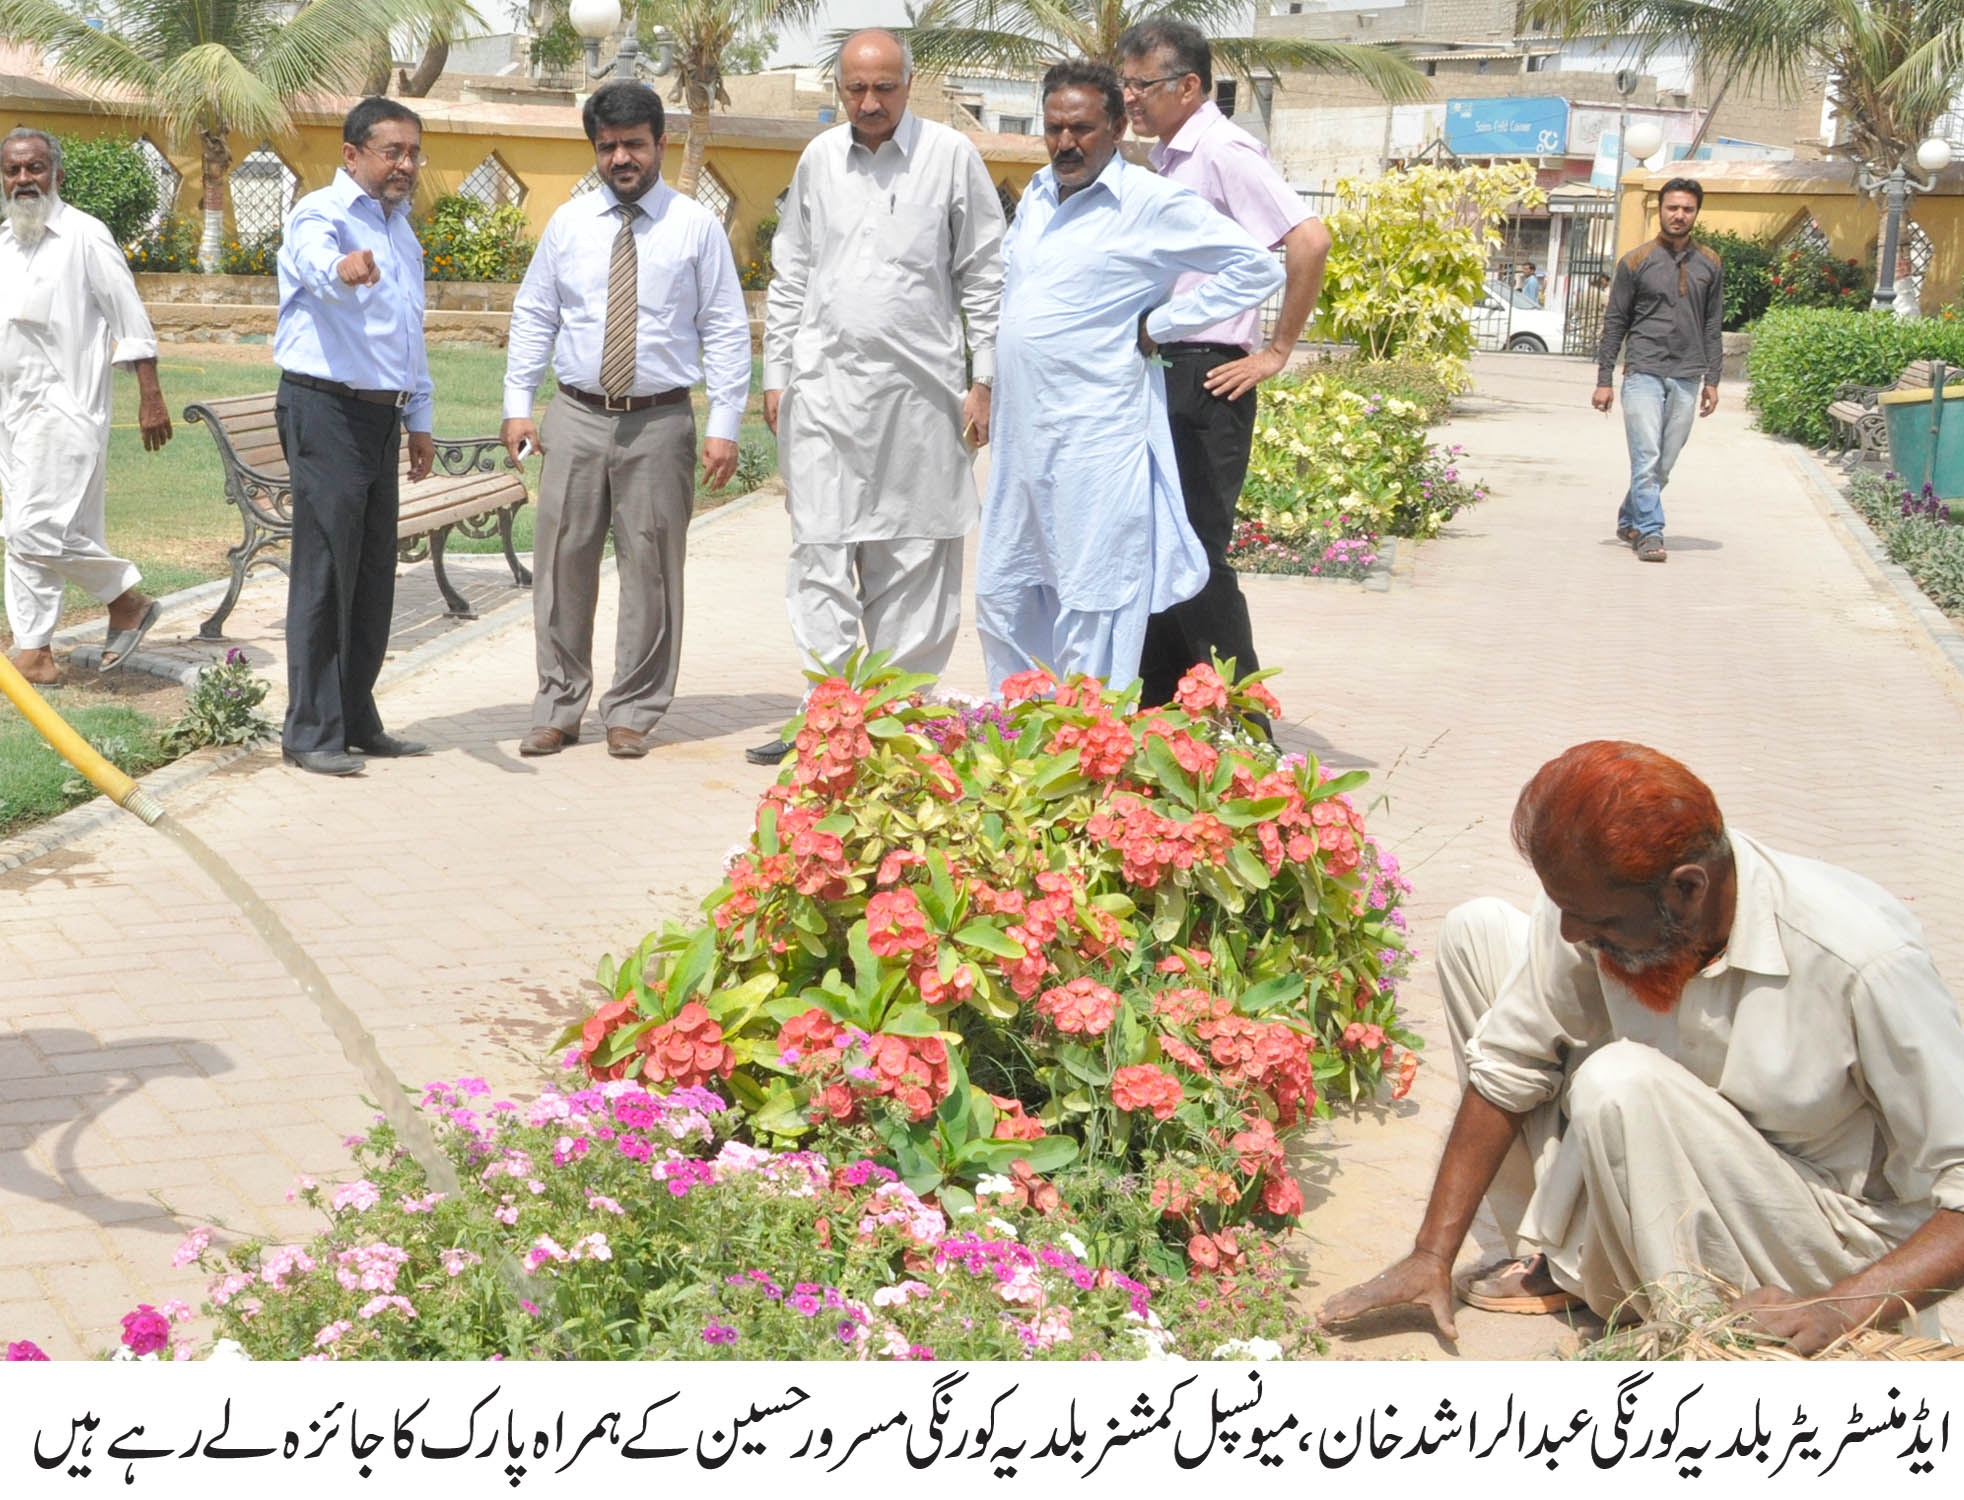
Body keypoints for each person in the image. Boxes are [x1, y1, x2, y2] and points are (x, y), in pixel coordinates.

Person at [1319, 741, 1964, 1353]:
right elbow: (1510, 1063)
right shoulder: (1590, 906)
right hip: (1667, 1168)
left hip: (1824, 1242)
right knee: (1476, 934)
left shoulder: (1863, 961)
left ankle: (1691, 1331)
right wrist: (1432, 1253)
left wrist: (1844, 1307)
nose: (1574, 931)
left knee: (1618, 1081)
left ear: (1686, 890)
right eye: (1565, 909)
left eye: (1597, 920)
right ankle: (1562, 1263)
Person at [975, 60, 1282, 693]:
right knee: (1005, 591)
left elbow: (1257, 267)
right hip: (1023, 438)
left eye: (1083, 128)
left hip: (1097, 438)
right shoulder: (1035, 195)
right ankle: (1024, 735)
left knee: (1094, 597)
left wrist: (1167, 321)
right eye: (1055, 127)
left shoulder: (1149, 202)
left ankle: (1087, 745)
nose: (1066, 142)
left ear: (1117, 127)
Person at [751, 28, 1004, 765]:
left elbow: (985, 272)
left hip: (921, 398)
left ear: (909, 84)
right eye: (855, 89)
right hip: (824, 391)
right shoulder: (818, 159)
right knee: (821, 551)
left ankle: (897, 720)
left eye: (884, 88)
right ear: (838, 88)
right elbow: (792, 269)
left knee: (916, 552)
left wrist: (981, 379)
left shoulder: (951, 156)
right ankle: (828, 718)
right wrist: (777, 374)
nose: (869, 102)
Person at [502, 81, 750, 761]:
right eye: (607, 146)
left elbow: (726, 328)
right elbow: (534, 314)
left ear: (660, 144)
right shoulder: (569, 224)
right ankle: (557, 705)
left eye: (633, 144)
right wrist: (517, 406)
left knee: (652, 571)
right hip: (576, 416)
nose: (620, 158)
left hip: (659, 421)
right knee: (561, 564)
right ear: (595, 149)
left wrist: (725, 422)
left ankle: (634, 711)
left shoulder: (695, 227)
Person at [1116, 19, 1331, 718]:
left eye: (1141, 84)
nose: (1129, 98)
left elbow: (1308, 239)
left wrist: (1275, 352)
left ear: (1187, 85)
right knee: (1152, 545)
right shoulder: (1170, 157)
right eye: (1124, 83)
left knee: (1198, 552)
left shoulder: (1223, 151)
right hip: (1164, 372)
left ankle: (1244, 720)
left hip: (1208, 374)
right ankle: (1167, 708)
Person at [273, 97, 435, 776]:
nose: (404, 165)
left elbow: (408, 334)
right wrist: (340, 270)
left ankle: (356, 717)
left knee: (372, 574)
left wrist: (418, 417)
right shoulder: (322, 212)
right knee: (326, 571)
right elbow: (314, 261)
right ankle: (310, 730)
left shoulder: (404, 234)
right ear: (353, 155)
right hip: (325, 410)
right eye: (390, 151)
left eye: (411, 152)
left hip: (379, 416)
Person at [1, 128, 173, 686]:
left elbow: (131, 322)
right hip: (14, 412)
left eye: (35, 168)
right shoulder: (6, 241)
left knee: (31, 528)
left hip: (68, 410)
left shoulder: (85, 236)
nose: (23, 180)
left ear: (57, 173)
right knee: (29, 535)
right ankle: (35, 654)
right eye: (12, 171)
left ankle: (127, 600)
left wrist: (150, 396)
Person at [1592, 177, 1723, 564]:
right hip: (1643, 371)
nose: (1679, 215)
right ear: (1660, 210)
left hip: (1688, 372)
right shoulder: (1635, 261)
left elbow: (1712, 323)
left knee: (1665, 461)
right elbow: (1615, 322)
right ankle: (1650, 532)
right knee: (1646, 455)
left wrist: (1713, 379)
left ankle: (1630, 517)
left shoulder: (1710, 263)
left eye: (1686, 209)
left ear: (1696, 212)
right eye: (1672, 208)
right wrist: (1604, 381)